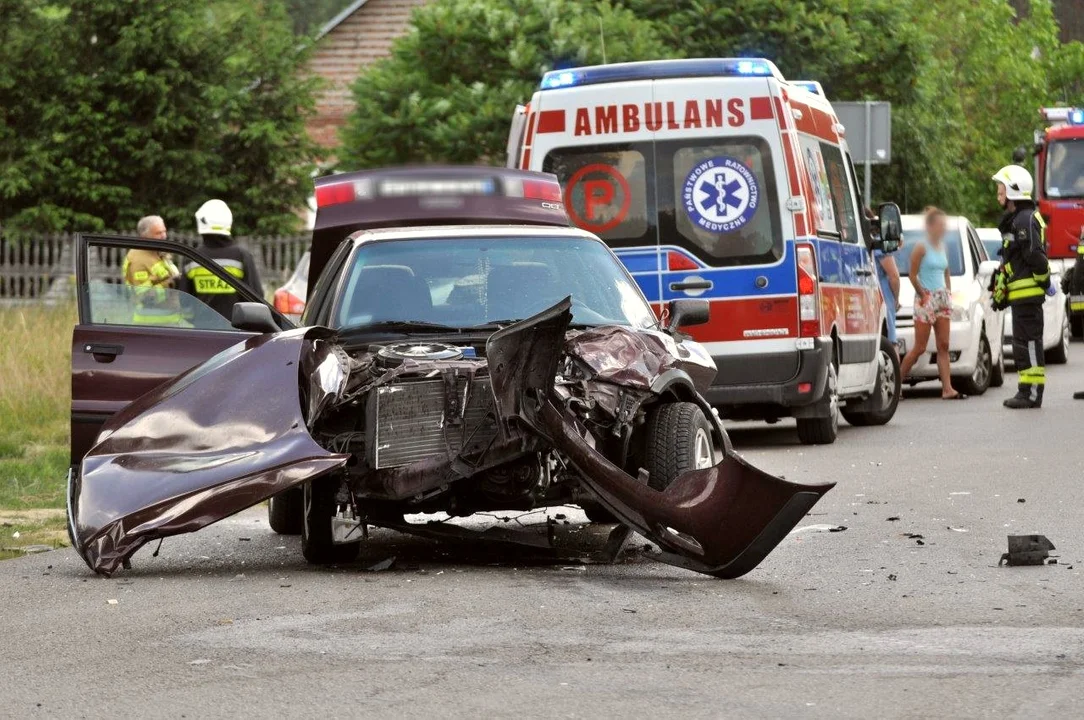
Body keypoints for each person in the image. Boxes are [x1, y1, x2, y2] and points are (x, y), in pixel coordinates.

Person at [991, 165, 1050, 409]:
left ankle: (1032, 393)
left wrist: (1043, 280)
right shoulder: (1018, 219)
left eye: (1001, 188)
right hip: (1020, 297)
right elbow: (1014, 260)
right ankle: (1025, 391)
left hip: (1028, 297)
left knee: (1030, 345)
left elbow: (1035, 256)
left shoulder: (1025, 219)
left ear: (1014, 190)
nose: (998, 193)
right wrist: (1002, 282)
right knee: (1021, 345)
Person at [899, 207, 965, 400]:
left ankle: (947, 388)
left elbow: (946, 271)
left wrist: (948, 292)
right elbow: (912, 275)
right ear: (930, 226)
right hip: (925, 298)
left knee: (943, 345)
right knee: (920, 347)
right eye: (940, 225)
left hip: (942, 299)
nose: (943, 228)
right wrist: (922, 294)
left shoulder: (942, 246)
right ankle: (896, 385)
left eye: (944, 225)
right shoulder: (921, 247)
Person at [179, 199, 263, 320]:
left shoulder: (192, 258)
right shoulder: (241, 256)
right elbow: (256, 296)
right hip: (236, 332)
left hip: (202, 330)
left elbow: (185, 301)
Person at [122, 215, 183, 324]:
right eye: (158, 233)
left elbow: (167, 276)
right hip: (150, 324)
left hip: (169, 321)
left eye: (164, 231)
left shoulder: (158, 252)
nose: (164, 236)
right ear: (145, 236)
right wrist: (172, 284)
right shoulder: (137, 259)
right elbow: (142, 297)